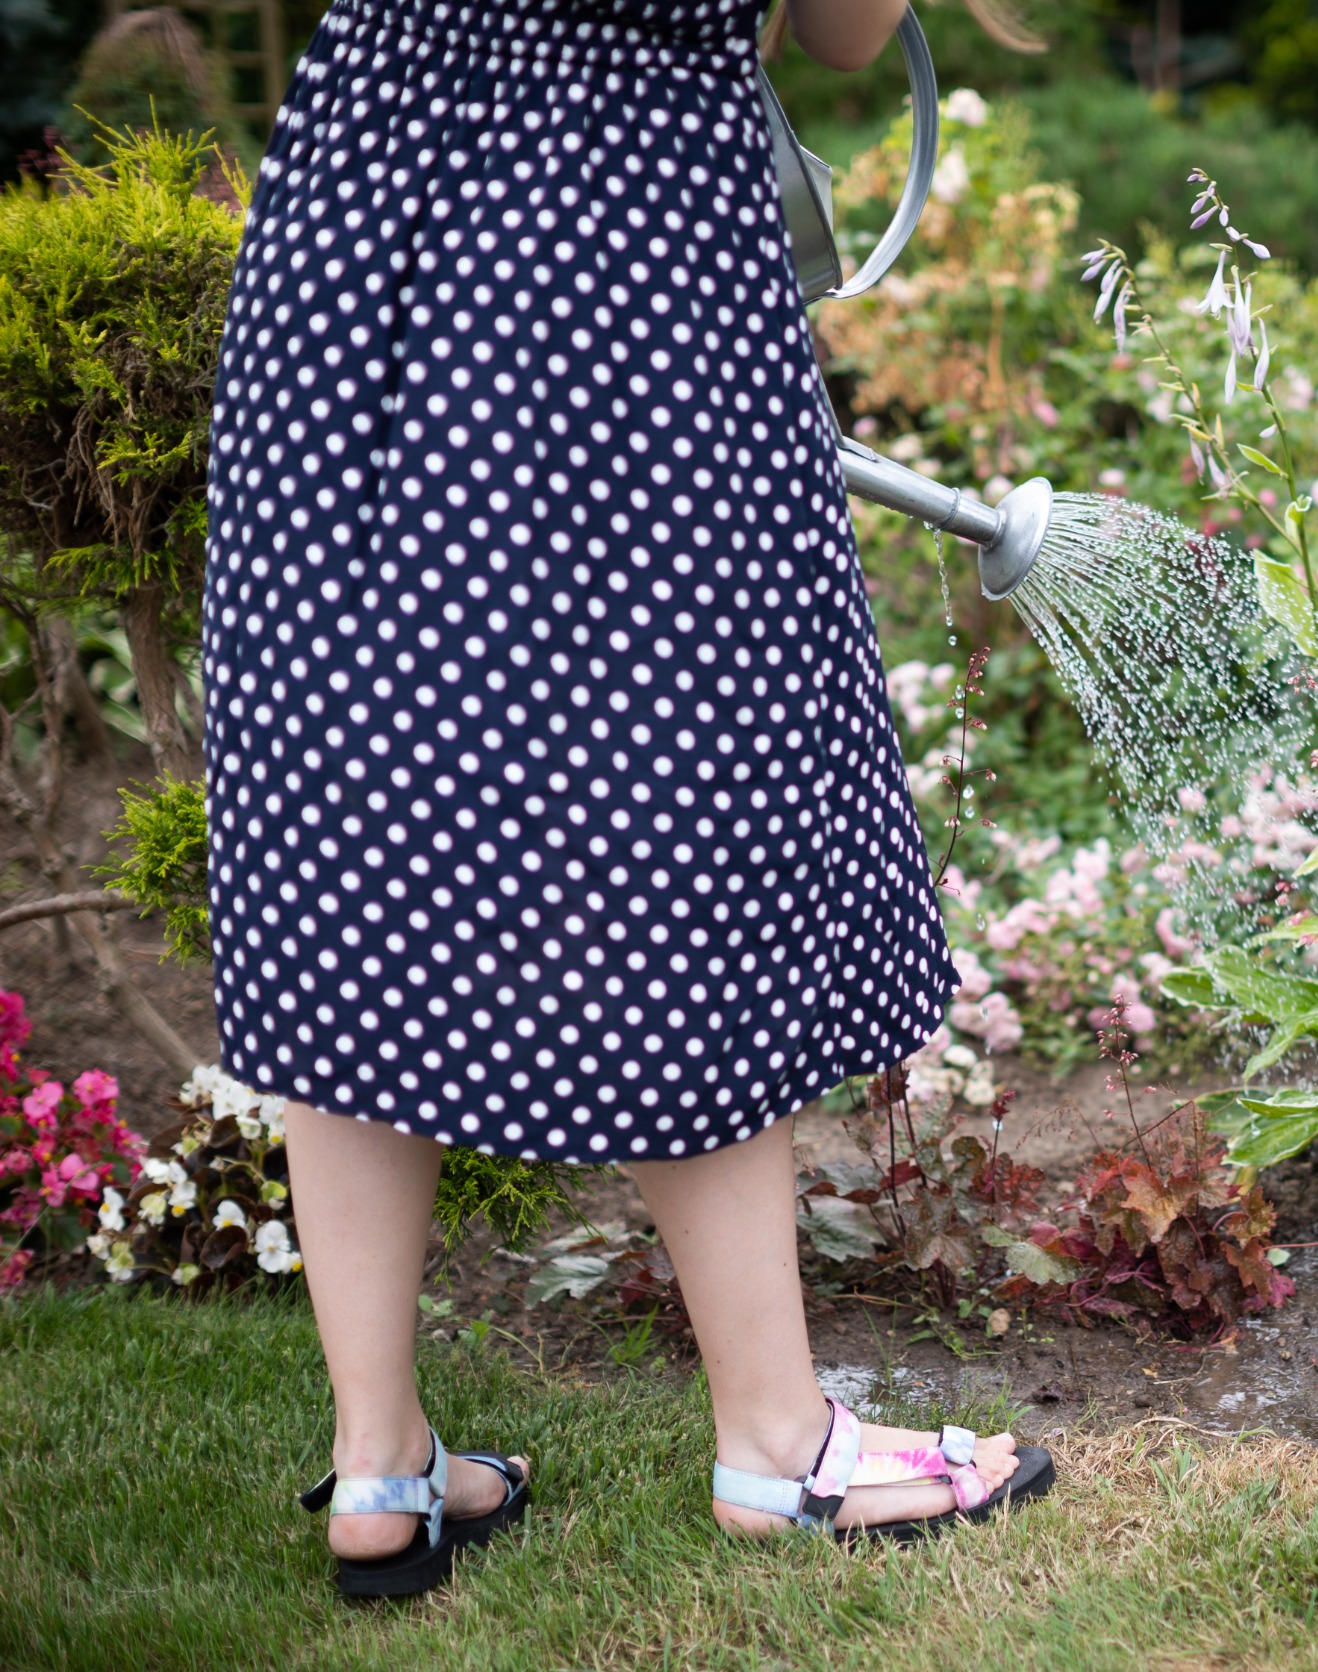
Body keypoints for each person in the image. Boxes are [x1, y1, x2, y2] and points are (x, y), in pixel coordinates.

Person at [201, 0, 1051, 1598]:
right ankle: (780, 1444)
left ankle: (381, 1461)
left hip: (359, 206)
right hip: (626, 245)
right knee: (680, 816)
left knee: (358, 824)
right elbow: (856, 38)